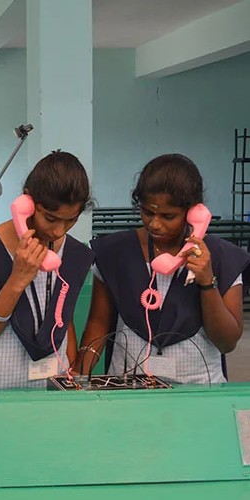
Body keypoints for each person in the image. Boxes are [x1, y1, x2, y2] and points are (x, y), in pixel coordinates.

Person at [76, 154, 250, 384]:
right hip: (128, 388)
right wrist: (79, 377)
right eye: (147, 212)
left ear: (193, 213)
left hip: (198, 389)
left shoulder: (221, 257)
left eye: (168, 216)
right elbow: (98, 324)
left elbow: (226, 342)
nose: (155, 224)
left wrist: (207, 281)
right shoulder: (114, 252)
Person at [0, 151, 95, 390]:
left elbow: (62, 319)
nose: (59, 230)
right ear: (27, 204)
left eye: (70, 220)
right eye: (50, 218)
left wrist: (72, 373)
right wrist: (17, 279)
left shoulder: (75, 254)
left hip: (52, 392)